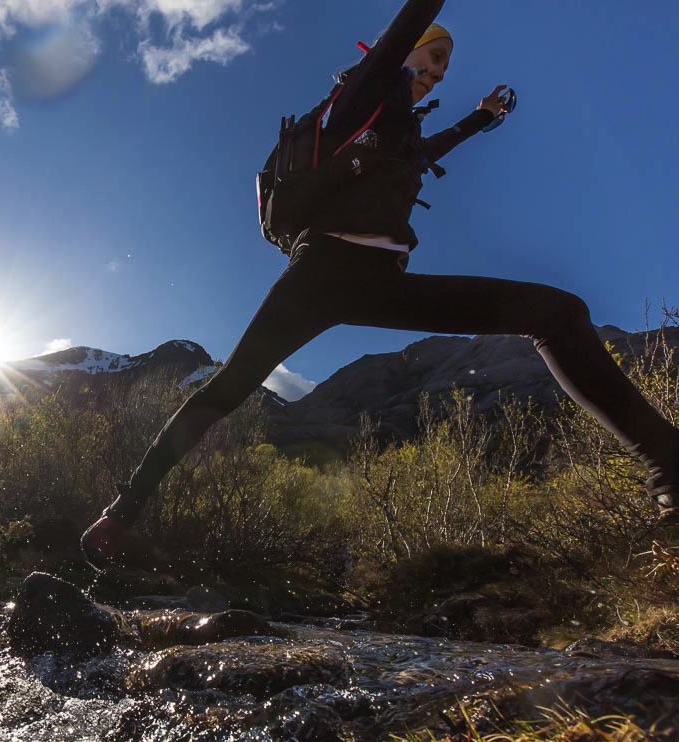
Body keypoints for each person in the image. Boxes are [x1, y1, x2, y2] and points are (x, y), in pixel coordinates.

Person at [80, 0, 679, 569]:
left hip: (379, 283)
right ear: (407, 52)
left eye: (444, 66)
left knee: (558, 312)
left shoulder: (394, 130)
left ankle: (670, 474)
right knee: (227, 388)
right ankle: (120, 514)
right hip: (319, 274)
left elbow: (426, 149)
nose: (439, 75)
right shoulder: (367, 87)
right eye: (435, 59)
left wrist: (482, 117)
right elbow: (416, 16)